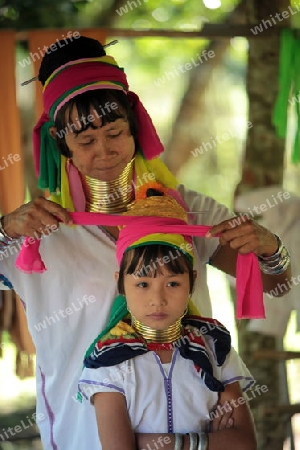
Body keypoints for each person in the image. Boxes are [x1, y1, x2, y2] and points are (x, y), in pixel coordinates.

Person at [0, 35, 290, 449]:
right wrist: (4, 230)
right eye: (85, 141)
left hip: (197, 434)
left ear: (136, 127)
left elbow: (275, 285)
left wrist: (271, 250)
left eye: (115, 132)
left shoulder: (188, 211)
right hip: (78, 437)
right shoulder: (34, 232)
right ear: (61, 145)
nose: (104, 150)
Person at [78, 185, 257, 450]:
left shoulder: (214, 347)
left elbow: (243, 444)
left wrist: (155, 444)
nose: (158, 299)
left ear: (192, 281)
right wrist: (208, 442)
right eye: (143, 284)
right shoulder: (109, 361)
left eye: (172, 283)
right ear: (121, 285)